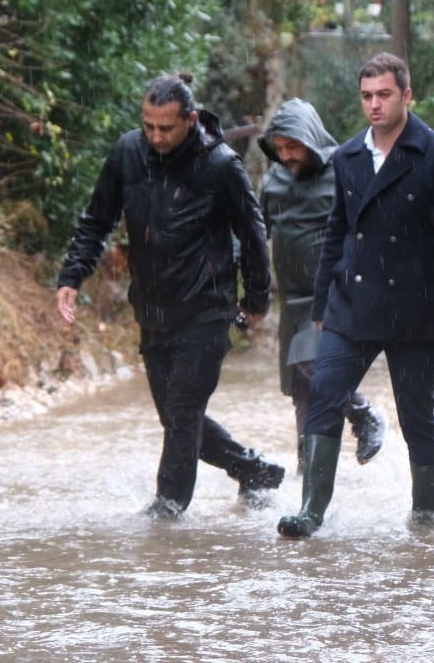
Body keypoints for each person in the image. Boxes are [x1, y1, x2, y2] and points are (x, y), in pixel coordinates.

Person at [277, 53, 434, 538]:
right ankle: (311, 510)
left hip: (416, 306)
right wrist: (319, 309)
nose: (375, 105)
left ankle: (427, 512)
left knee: (416, 413)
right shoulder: (348, 156)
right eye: (367, 96)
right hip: (351, 304)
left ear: (407, 96)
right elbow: (337, 233)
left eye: (384, 95)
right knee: (326, 393)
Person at [55, 73, 285, 519]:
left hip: (206, 310)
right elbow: (96, 219)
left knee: (182, 413)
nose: (156, 137)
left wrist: (256, 299)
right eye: (149, 126)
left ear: (191, 120)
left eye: (166, 128)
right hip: (153, 310)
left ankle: (167, 508)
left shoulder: (221, 166)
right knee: (178, 418)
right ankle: (251, 469)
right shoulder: (127, 153)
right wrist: (72, 274)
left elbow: (253, 234)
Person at [257, 98, 389, 474]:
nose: (286, 156)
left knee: (312, 362)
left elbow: (373, 228)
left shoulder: (345, 169)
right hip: (292, 302)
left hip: (335, 296)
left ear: (312, 139)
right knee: (304, 395)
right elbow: (256, 232)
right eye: (279, 149)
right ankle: (309, 479)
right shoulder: (274, 180)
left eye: (293, 146)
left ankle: (364, 415)